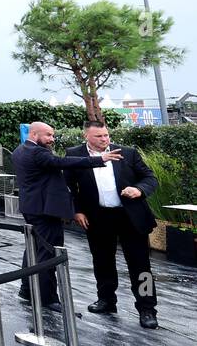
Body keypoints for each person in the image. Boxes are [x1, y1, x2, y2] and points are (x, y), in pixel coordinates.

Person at [12, 121, 119, 311]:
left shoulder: (20, 149)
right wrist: (99, 159)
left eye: (53, 135)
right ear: (34, 134)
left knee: (33, 249)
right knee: (48, 254)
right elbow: (63, 162)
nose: (52, 139)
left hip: (32, 207)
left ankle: (27, 289)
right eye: (48, 135)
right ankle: (48, 298)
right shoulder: (38, 152)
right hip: (45, 210)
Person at [66, 122, 160, 329]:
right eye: (98, 136)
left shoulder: (127, 153)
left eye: (106, 135)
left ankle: (147, 309)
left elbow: (150, 177)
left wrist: (139, 190)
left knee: (141, 266)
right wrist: (77, 210)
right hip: (98, 217)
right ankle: (107, 300)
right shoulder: (74, 154)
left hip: (130, 217)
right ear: (86, 136)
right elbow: (69, 186)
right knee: (102, 262)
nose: (104, 139)